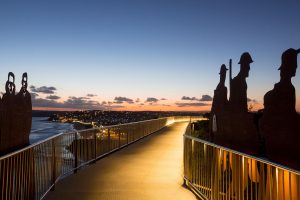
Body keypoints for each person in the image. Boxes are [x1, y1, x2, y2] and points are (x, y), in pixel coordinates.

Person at [261, 48, 300, 169]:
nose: (296, 69)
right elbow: (289, 115)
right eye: (294, 66)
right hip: (282, 141)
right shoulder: (288, 89)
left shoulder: (276, 91)